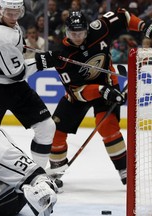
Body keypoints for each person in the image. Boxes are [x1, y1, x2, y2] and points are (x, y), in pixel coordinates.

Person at [35, 10, 152, 185]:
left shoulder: (99, 29)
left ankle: (124, 169)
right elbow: (77, 92)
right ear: (66, 32)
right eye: (73, 33)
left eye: (81, 33)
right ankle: (56, 171)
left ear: (87, 30)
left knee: (108, 128)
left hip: (108, 83)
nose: (77, 37)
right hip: (79, 94)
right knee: (56, 132)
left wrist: (143, 26)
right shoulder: (62, 55)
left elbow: (123, 16)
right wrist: (100, 90)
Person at [0, 0, 56, 169]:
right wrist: (43, 61)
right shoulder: (2, 37)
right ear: (1, 10)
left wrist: (10, 49)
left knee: (46, 127)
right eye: (9, 13)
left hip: (14, 86)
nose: (13, 17)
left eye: (17, 12)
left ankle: (38, 173)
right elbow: (16, 73)